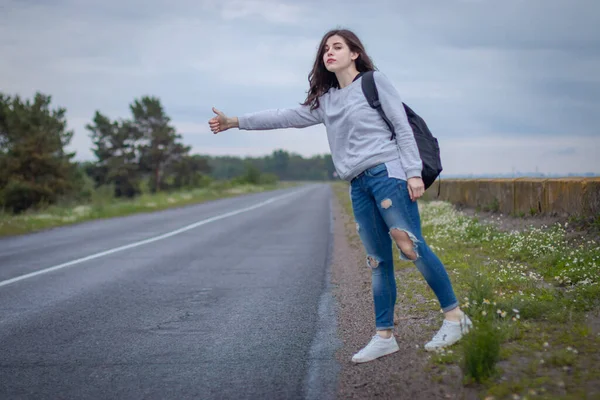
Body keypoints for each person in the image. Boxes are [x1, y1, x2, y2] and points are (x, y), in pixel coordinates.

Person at [208, 28, 472, 363]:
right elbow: (284, 116)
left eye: (337, 47)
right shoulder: (326, 101)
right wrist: (235, 121)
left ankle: (455, 317)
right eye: (325, 49)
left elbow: (402, 126)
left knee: (411, 245)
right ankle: (384, 336)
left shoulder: (374, 82)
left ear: (354, 53)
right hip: (357, 183)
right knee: (377, 261)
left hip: (387, 174)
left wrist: (413, 172)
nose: (328, 53)